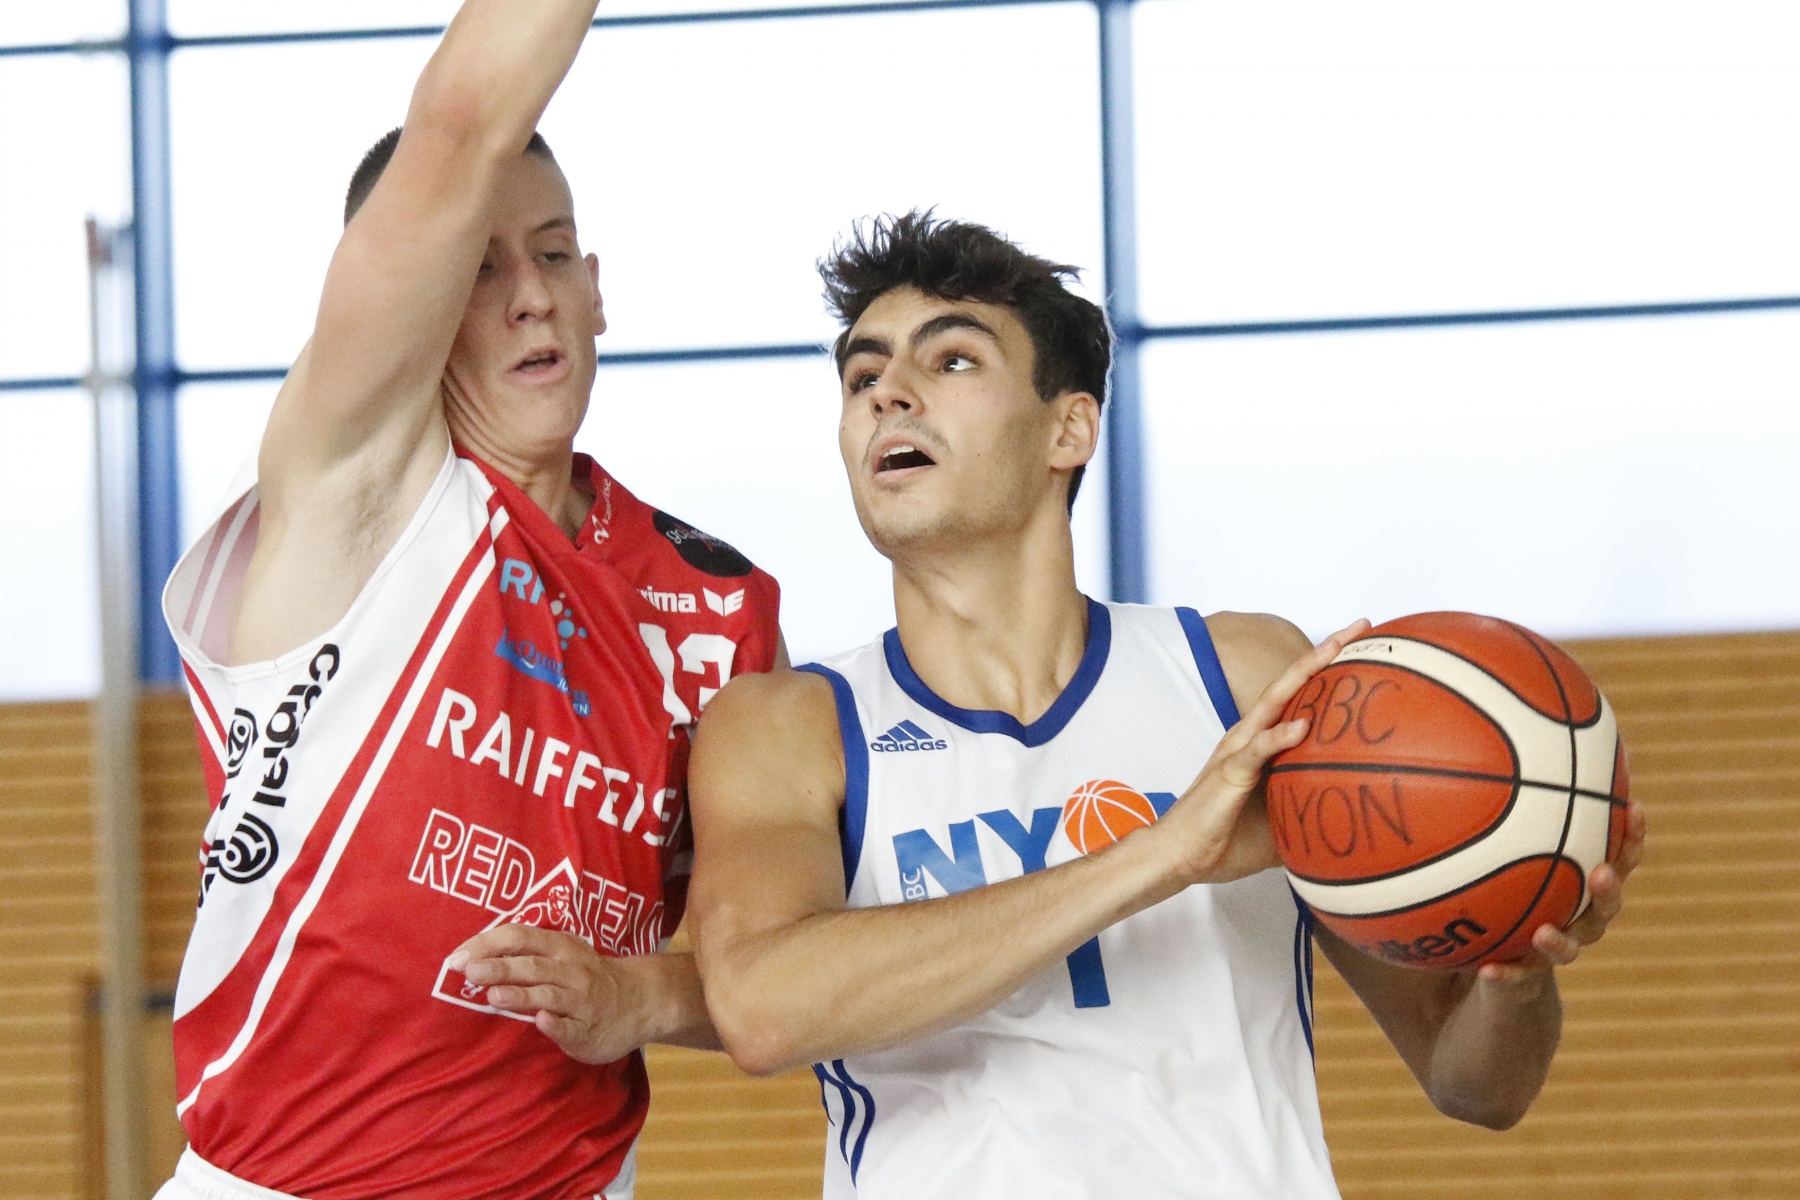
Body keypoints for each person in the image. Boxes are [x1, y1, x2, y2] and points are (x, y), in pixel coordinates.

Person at [686, 212, 1644, 1198]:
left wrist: (1513, 973)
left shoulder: (1239, 676)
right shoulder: (788, 724)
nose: (890, 393)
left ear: (1070, 427)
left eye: (954, 362)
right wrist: (1160, 852)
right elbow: (763, 1008)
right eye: (863, 376)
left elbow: (1475, 1084)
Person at [156, 3, 781, 1196]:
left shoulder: (720, 605)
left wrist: (637, 995)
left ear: (598, 289)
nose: (531, 295)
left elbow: (779, 974)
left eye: (553, 255)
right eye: (481, 266)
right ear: (416, 310)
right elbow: (457, 124)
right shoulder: (361, 488)